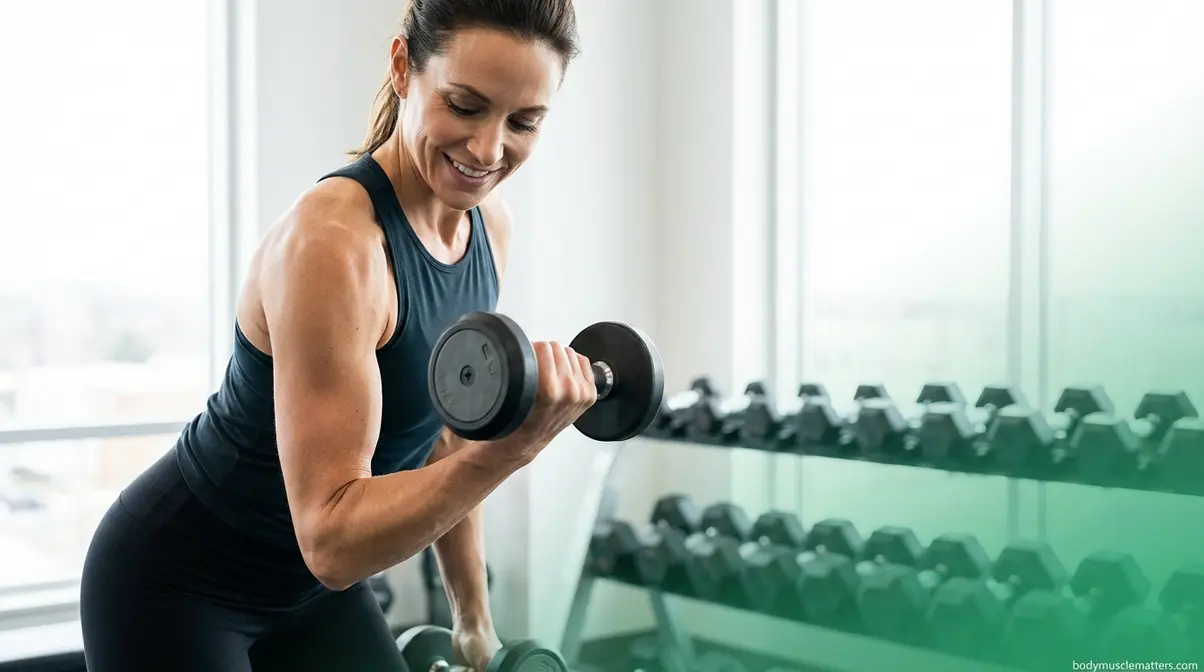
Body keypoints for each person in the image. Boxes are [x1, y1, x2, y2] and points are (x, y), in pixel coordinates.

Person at [79, 1, 585, 670]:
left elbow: (446, 437)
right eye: (465, 106)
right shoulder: (335, 245)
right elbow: (333, 539)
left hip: (314, 594)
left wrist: (473, 622)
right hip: (178, 583)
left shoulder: (488, 229)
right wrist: (512, 451)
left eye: (523, 122)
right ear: (404, 68)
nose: (490, 149)